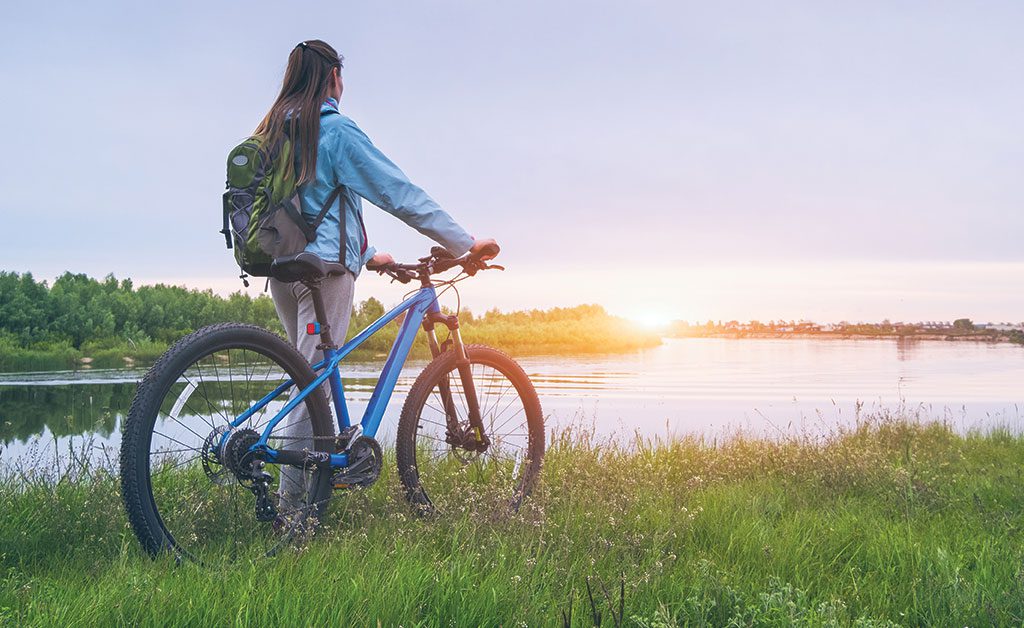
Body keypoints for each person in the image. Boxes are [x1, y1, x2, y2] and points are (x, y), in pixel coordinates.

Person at [252, 39, 497, 508]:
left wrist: (369, 254)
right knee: (312, 385)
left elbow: (310, 206)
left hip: (282, 270)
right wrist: (464, 244)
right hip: (324, 273)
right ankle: (290, 514)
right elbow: (397, 192)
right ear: (333, 79)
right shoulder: (334, 130)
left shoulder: (274, 131)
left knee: (309, 375)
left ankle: (315, 492)